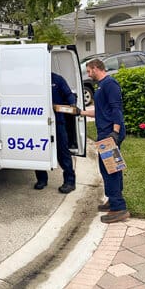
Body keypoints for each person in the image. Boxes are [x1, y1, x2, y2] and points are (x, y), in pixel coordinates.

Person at [81, 58, 129, 223]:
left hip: (109, 133)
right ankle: (113, 200)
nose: (88, 74)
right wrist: (81, 113)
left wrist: (114, 133)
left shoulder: (110, 84)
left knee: (110, 169)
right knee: (111, 167)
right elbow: (102, 111)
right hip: (106, 132)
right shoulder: (101, 85)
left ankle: (119, 208)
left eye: (89, 71)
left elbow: (117, 110)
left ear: (95, 68)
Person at [34, 72, 77, 193]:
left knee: (62, 151)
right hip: (39, 122)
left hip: (57, 121)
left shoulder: (57, 79)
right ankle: (41, 179)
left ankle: (69, 181)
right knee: (38, 150)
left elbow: (69, 94)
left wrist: (72, 104)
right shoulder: (34, 80)